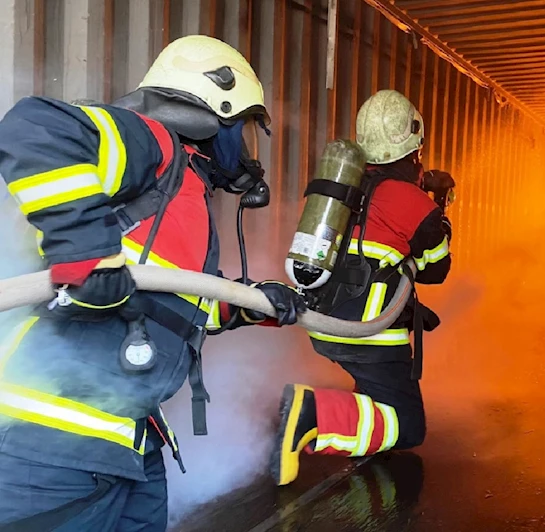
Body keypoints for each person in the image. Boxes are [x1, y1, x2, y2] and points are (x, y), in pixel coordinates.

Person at [0, 35, 306, 531]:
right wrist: (85, 252)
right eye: (241, 127)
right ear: (214, 116)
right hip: (51, 443)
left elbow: (167, 297)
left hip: (131, 442)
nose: (244, 149)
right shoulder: (155, 146)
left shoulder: (182, 197)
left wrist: (248, 305)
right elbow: (35, 127)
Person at [269, 89, 452, 486]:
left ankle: (335, 418)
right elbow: (435, 270)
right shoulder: (414, 203)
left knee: (376, 398)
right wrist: (440, 211)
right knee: (407, 426)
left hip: (323, 320)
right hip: (369, 333)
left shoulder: (342, 189)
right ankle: (311, 414)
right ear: (414, 148)